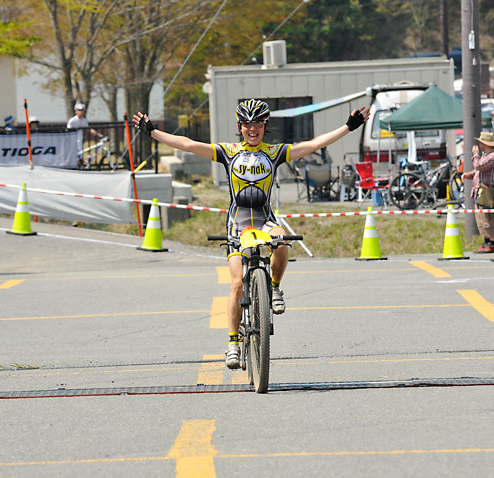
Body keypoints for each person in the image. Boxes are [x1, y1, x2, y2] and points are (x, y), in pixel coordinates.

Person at [132, 100, 369, 369]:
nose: (252, 129)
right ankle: (233, 343)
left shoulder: (275, 152)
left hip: (265, 220)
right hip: (237, 222)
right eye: (247, 124)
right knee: (236, 284)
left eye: (258, 124)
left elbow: (314, 144)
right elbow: (187, 144)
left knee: (281, 244)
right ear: (240, 127)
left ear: (265, 126)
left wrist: (348, 128)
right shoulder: (228, 151)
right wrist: (152, 132)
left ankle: (275, 289)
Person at [462, 132, 494, 253]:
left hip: (487, 191)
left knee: (487, 218)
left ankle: (492, 242)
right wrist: (469, 174)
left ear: (484, 143)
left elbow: (479, 166)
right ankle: (486, 241)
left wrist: (475, 154)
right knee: (480, 219)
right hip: (479, 191)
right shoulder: (485, 154)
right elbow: (478, 170)